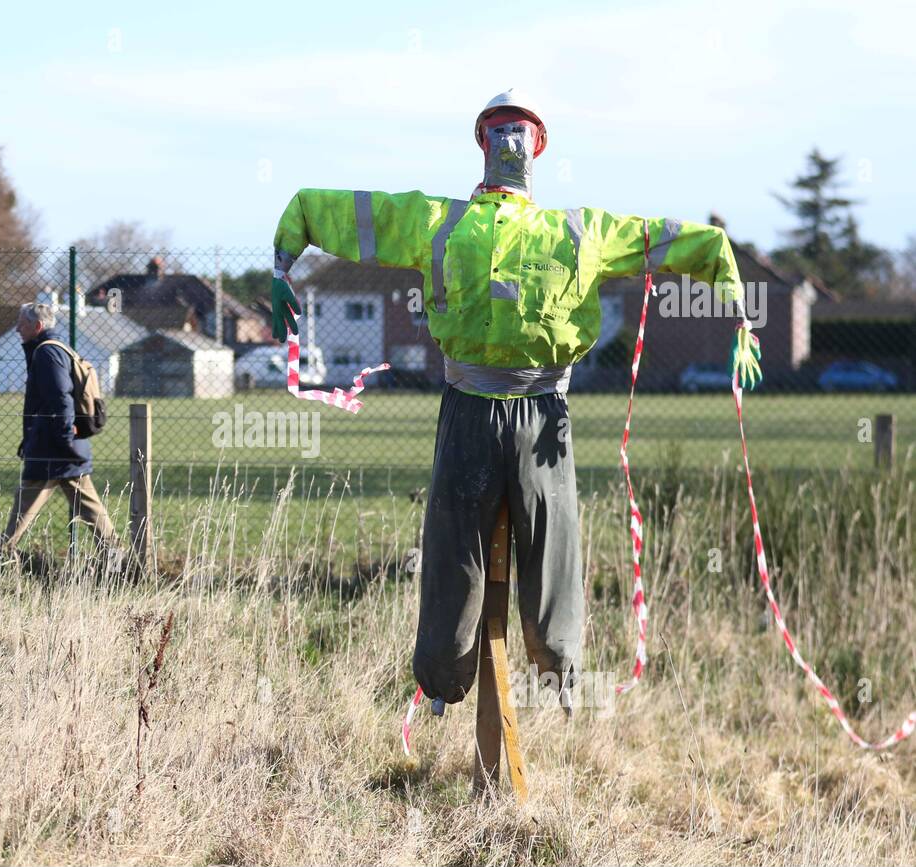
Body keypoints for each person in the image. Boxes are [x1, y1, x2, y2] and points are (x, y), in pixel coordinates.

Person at [268, 89, 763, 711]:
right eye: (499, 129)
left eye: (517, 129)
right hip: (470, 404)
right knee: (455, 546)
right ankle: (446, 680)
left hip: (542, 413)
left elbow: (687, 241)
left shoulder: (574, 230)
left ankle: (556, 671)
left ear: (538, 144)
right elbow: (334, 211)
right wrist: (284, 257)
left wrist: (740, 311)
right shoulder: (441, 222)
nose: (508, 140)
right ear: (483, 143)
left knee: (551, 543)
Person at [0, 301, 119, 563]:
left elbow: (61, 397)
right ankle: (118, 562)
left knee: (27, 502)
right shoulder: (56, 350)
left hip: (54, 446)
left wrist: (62, 439)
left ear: (36, 326)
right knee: (89, 508)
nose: (16, 329)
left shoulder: (47, 354)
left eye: (21, 324)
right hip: (62, 445)